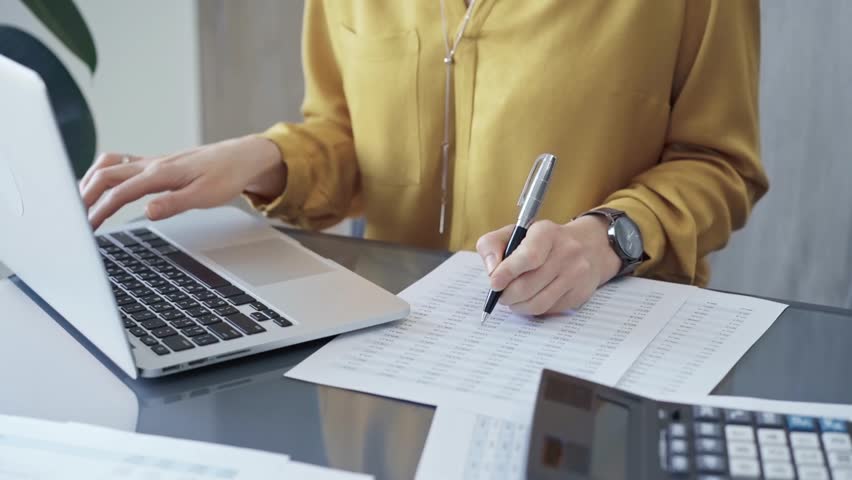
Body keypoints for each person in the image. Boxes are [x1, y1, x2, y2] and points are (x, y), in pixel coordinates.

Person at [79, 1, 766, 317]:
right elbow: (351, 135)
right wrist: (263, 158)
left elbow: (719, 163)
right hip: (388, 346)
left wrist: (606, 240)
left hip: (600, 349)